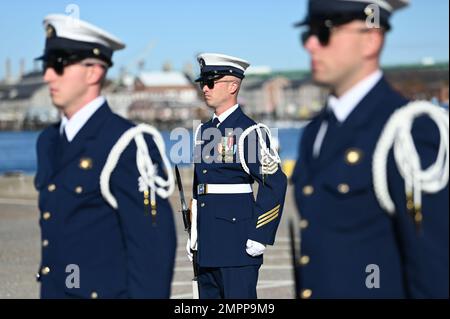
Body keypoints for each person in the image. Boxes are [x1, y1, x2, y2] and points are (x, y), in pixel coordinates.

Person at [291, 0, 449, 299]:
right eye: (307, 34)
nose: (311, 44)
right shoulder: (315, 132)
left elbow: (435, 271)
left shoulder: (409, 129)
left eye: (323, 32)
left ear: (371, 39)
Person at [34, 14, 176, 299]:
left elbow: (152, 252)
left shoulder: (127, 143)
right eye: (47, 64)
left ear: (93, 72)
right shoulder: (48, 141)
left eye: (59, 64)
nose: (48, 74)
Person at [187, 53, 288, 299]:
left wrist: (260, 234)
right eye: (203, 82)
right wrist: (195, 233)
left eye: (212, 82)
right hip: (207, 243)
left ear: (233, 86)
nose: (205, 88)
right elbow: (201, 187)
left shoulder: (248, 132)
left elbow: (275, 182)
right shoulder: (205, 130)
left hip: (237, 243)